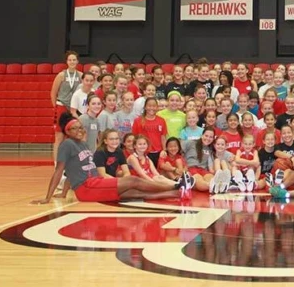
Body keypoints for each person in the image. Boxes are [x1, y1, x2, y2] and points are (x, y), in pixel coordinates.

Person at [33, 113, 192, 204]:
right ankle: (177, 186)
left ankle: (177, 194)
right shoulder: (67, 144)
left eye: (80, 127)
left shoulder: (82, 144)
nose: (79, 130)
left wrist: (63, 193)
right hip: (87, 187)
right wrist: (48, 198)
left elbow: (70, 171)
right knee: (133, 181)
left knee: (134, 193)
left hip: (94, 184)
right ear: (67, 132)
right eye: (74, 129)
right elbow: (59, 171)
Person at [50, 51, 81, 164]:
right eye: (70, 60)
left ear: (77, 61)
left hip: (74, 109)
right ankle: (56, 163)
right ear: (66, 62)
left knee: (74, 135)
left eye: (74, 60)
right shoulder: (61, 75)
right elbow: (53, 93)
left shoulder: (81, 75)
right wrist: (56, 107)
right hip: (62, 107)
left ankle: (71, 162)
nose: (72, 62)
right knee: (59, 136)